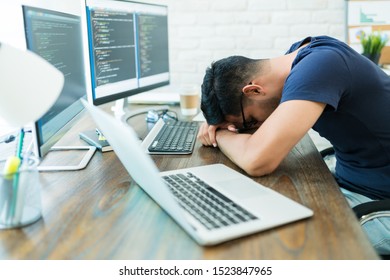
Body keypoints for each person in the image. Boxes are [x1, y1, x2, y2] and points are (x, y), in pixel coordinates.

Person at [197, 35, 390, 255]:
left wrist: (220, 135)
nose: (252, 128)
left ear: (254, 91)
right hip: (356, 179)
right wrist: (228, 126)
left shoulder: (320, 67)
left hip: (377, 201)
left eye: (249, 122)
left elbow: (257, 161)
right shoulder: (300, 56)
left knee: (281, 247)